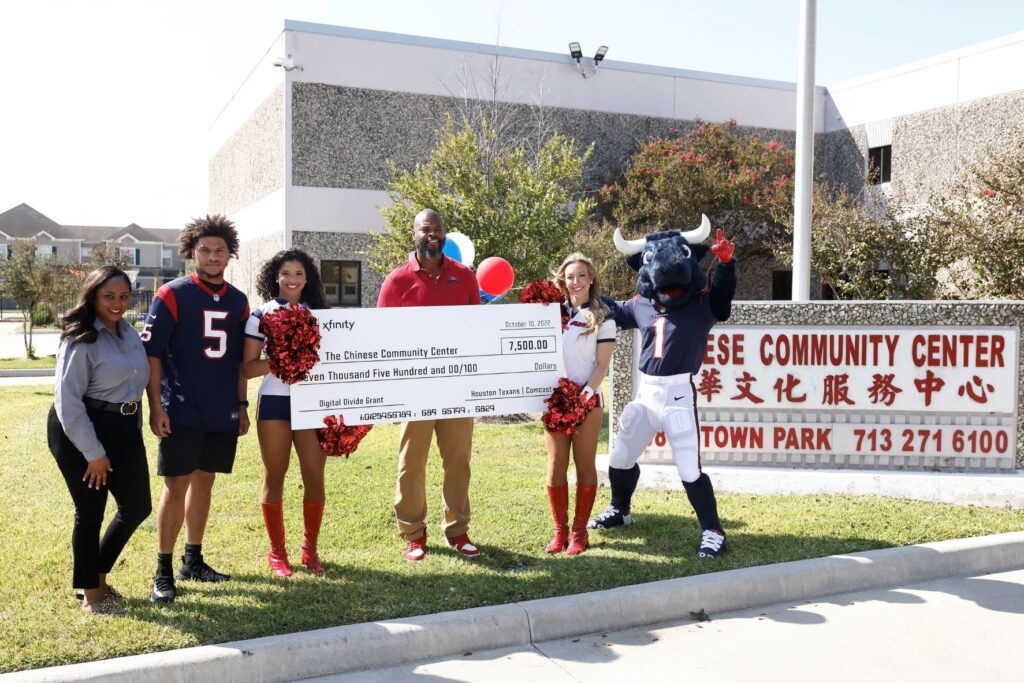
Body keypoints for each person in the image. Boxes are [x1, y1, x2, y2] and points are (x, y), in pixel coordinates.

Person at [589, 218, 736, 559]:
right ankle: (620, 509)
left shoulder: (701, 303)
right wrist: (581, 294)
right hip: (646, 394)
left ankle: (714, 531)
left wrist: (726, 266)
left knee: (689, 469)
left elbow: (723, 299)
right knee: (620, 456)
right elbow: (611, 309)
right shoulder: (642, 303)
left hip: (678, 395)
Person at [143, 215, 250, 603]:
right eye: (204, 249)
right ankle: (163, 569)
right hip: (182, 408)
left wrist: (242, 405)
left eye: (220, 250)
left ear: (230, 253)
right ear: (191, 252)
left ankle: (193, 559)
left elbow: (239, 360)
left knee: (206, 481)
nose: (212, 256)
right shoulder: (172, 294)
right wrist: (156, 406)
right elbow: (152, 356)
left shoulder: (239, 300)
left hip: (221, 409)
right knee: (176, 486)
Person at [377, 208, 481, 561]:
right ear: (414, 234)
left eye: (437, 229)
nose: (432, 235)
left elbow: (477, 330)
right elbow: (382, 337)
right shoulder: (396, 281)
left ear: (445, 234)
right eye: (425, 229)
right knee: (412, 463)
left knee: (458, 461)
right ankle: (413, 534)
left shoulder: (465, 276)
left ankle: (458, 530)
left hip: (456, 387)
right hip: (414, 389)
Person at [48, 266, 151, 614]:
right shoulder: (80, 340)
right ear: (92, 296)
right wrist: (93, 453)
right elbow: (68, 403)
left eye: (124, 296)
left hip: (122, 427)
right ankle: (92, 596)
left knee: (137, 505)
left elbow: (137, 382)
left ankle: (96, 575)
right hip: (80, 428)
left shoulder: (129, 333)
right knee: (90, 510)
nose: (118, 303)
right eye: (109, 296)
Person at [242, 249, 330, 577]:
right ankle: (277, 553)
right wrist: (283, 357)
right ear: (274, 277)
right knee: (274, 476)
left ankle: (310, 550)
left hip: (312, 405)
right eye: (285, 273)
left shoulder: (322, 315)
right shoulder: (260, 315)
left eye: (298, 273)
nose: (292, 279)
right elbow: (249, 368)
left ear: (308, 278)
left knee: (314, 477)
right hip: (276, 403)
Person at [544, 254, 615, 556]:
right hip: (555, 400)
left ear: (591, 279)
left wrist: (582, 396)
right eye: (570, 276)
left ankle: (579, 533)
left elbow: (602, 365)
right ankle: (559, 533)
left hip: (587, 400)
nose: (576, 282)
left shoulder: (603, 316)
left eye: (581, 276)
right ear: (562, 280)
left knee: (584, 465)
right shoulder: (549, 315)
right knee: (556, 465)